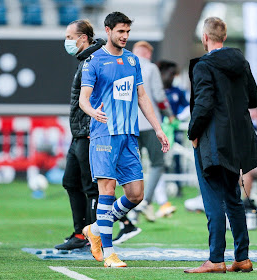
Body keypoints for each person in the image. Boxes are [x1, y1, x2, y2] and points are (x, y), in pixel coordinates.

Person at [78, 12, 170, 268]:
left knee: (136, 194)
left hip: (129, 135)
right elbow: (83, 98)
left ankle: (95, 229)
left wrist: (158, 128)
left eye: (128, 32)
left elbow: (142, 97)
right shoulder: (94, 61)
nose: (125, 36)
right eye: (120, 31)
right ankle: (109, 253)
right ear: (108, 31)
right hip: (104, 134)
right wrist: (92, 111)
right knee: (107, 191)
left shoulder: (132, 60)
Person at [184, 17, 257, 274]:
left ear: (205, 38)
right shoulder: (241, 62)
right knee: (233, 200)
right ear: (224, 37)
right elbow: (254, 99)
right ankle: (242, 257)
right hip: (237, 142)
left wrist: (193, 133)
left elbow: (204, 105)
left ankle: (216, 259)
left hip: (212, 142)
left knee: (213, 201)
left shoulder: (203, 66)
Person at [54, 19, 104, 251]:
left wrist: (92, 128)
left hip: (88, 134)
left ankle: (93, 235)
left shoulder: (94, 61)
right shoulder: (85, 60)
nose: (67, 41)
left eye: (69, 37)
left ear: (83, 38)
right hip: (78, 133)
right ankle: (80, 233)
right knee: (70, 182)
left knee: (90, 186)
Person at [131, 41, 176, 221]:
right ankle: (146, 201)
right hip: (150, 124)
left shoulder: (123, 66)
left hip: (129, 124)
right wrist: (169, 114)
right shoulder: (150, 68)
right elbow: (158, 96)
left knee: (134, 167)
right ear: (147, 53)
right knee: (158, 163)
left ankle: (132, 208)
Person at [157, 60, 190, 197]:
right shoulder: (156, 90)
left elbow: (188, 107)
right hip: (159, 130)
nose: (172, 78)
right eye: (171, 74)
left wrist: (178, 118)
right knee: (158, 161)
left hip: (175, 131)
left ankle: (179, 187)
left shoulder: (178, 92)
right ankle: (158, 190)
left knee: (177, 159)